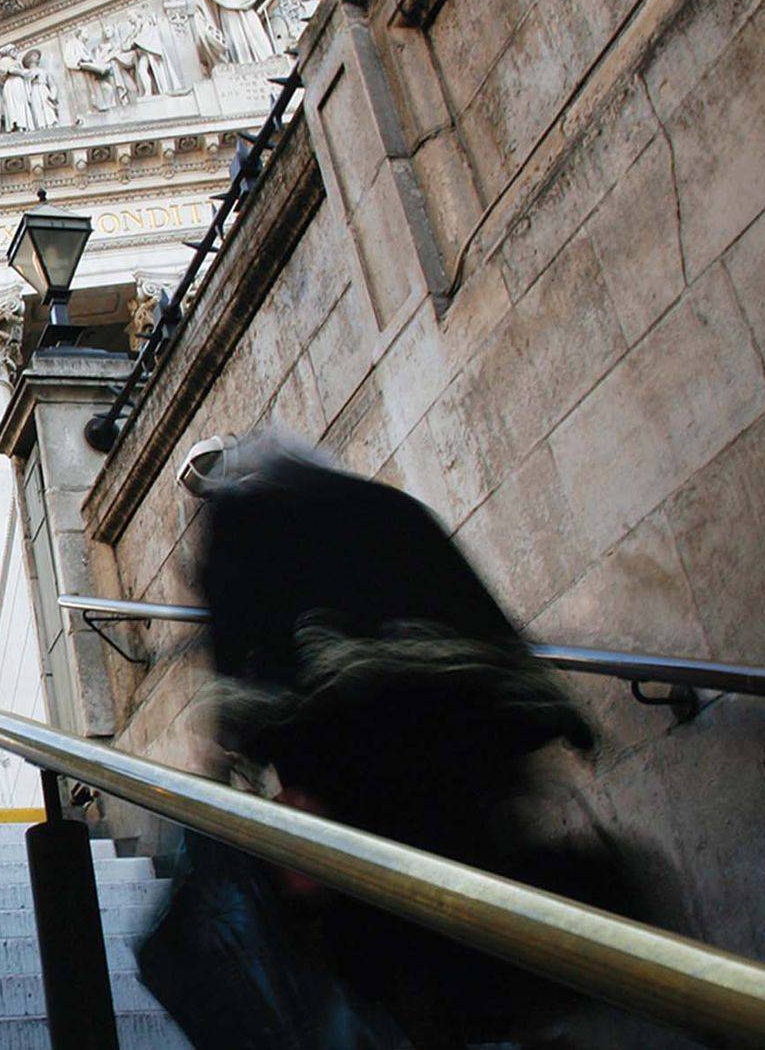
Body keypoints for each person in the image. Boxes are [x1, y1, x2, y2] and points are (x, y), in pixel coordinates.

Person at [138, 444, 638, 1049]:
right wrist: (553, 721)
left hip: (349, 774)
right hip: (463, 754)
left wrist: (258, 759)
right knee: (477, 926)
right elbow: (478, 613)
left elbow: (247, 659)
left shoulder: (243, 527)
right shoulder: (385, 508)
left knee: (389, 948)